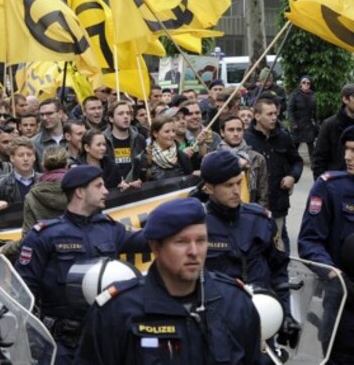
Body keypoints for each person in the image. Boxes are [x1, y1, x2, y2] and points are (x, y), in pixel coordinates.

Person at [77, 198, 262, 364]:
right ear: (155, 247)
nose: (194, 252)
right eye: (181, 242)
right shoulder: (117, 311)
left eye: (201, 241)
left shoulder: (236, 303)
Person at [15, 165, 148, 363]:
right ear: (79, 192)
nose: (105, 191)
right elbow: (23, 292)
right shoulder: (44, 235)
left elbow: (148, 240)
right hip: (61, 345)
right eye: (98, 186)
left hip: (105, 340)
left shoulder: (109, 229)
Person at [199, 151, 298, 346]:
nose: (237, 190)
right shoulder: (196, 225)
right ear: (209, 188)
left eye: (239, 182)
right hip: (217, 325)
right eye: (228, 185)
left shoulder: (259, 219)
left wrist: (285, 312)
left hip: (261, 317)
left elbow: (279, 270)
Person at [298, 125, 354, 363]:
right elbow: (310, 241)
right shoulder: (330, 187)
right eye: (347, 150)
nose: (347, 157)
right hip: (343, 299)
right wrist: (333, 274)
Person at [245, 98, 303, 254]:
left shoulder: (283, 136)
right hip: (254, 203)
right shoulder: (246, 139)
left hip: (278, 202)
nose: (273, 118)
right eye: (269, 114)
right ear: (257, 116)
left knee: (279, 244)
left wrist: (292, 177)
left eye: (275, 114)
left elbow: (297, 161)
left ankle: (283, 274)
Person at [0, 146, 69, 262]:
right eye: (21, 155)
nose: (25, 159)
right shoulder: (80, 190)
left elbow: (28, 239)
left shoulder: (32, 196)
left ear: (43, 164)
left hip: (46, 260)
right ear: (67, 164)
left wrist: (6, 249)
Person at [218, 115, 269, 207]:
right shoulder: (214, 157)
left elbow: (263, 194)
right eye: (231, 130)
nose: (236, 133)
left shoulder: (256, 158)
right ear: (222, 132)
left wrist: (259, 214)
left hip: (249, 208)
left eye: (239, 130)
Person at [312, 83, 354, 179]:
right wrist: (323, 186)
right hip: (336, 184)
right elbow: (319, 160)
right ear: (345, 99)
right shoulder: (329, 125)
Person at [0, 136, 39, 210]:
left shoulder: (45, 181)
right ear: (12, 158)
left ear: (34, 157)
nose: (26, 159)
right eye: (21, 155)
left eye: (29, 155)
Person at [134, 115, 193, 182]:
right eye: (167, 131)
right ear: (155, 133)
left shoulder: (182, 156)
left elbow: (189, 181)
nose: (172, 135)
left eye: (173, 131)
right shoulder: (143, 159)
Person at [103, 100, 146, 186]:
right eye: (121, 114)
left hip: (135, 189)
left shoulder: (139, 139)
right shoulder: (103, 140)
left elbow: (144, 166)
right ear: (111, 118)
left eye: (128, 113)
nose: (126, 116)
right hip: (112, 191)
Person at [287, 75, 317, 159]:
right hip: (297, 124)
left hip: (308, 124)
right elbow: (290, 109)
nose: (306, 84)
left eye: (308, 83)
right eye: (304, 82)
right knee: (294, 146)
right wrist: (292, 122)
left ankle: (314, 164)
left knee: (311, 146)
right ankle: (293, 162)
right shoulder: (295, 95)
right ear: (300, 83)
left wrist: (316, 123)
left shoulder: (312, 95)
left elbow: (314, 111)